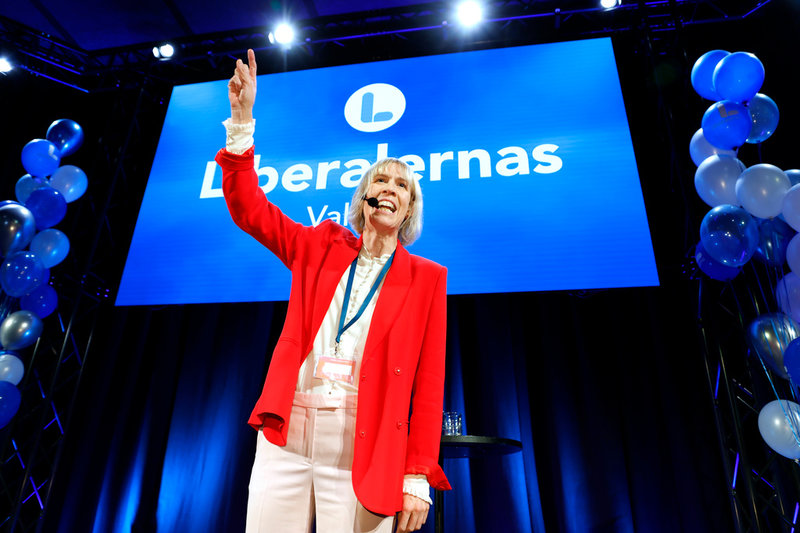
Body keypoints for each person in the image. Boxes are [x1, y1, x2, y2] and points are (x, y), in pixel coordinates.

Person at [216, 49, 451, 533]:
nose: (388, 188)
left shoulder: (427, 277)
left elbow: (428, 384)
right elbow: (249, 208)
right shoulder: (318, 245)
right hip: (288, 436)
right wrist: (242, 125)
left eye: (401, 186)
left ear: (408, 209)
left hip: (364, 445)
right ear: (363, 198)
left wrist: (418, 474)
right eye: (379, 180)